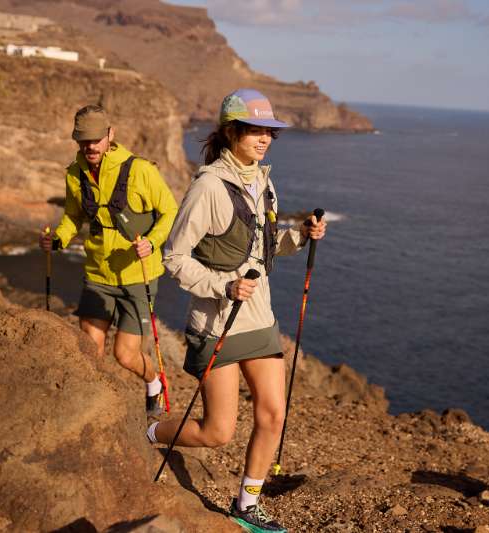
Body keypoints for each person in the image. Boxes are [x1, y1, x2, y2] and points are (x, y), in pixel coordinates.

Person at [147, 89, 326, 533]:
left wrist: (301, 236)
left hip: (259, 319)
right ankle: (151, 434)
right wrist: (223, 285)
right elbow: (174, 257)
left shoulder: (263, 180)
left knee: (273, 414)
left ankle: (246, 505)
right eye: (255, 130)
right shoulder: (208, 187)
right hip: (217, 324)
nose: (264, 138)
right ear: (232, 132)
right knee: (217, 433)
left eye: (269, 131)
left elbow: (260, 250)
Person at [39, 104, 178, 414]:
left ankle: (154, 382)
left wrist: (153, 243)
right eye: (83, 140)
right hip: (97, 275)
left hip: (137, 275)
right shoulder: (75, 173)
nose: (90, 146)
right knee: (91, 351)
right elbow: (73, 217)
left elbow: (170, 210)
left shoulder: (141, 169)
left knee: (126, 355)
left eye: (95, 139)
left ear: (110, 135)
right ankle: (94, 412)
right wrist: (58, 239)